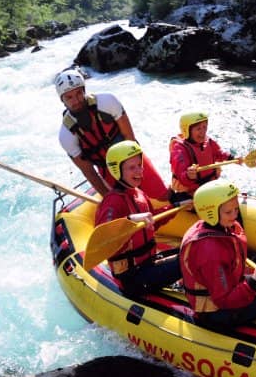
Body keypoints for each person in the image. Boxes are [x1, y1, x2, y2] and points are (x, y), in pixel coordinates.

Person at [180, 179, 256, 329]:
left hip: (228, 290)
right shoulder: (210, 251)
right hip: (216, 314)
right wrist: (254, 281)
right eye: (228, 212)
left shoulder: (222, 227)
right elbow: (224, 300)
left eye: (236, 209)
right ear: (210, 212)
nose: (234, 215)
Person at [55, 67, 165, 199]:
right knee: (126, 206)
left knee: (163, 195)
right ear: (62, 100)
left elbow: (130, 139)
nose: (76, 100)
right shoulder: (66, 135)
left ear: (84, 91)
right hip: (108, 170)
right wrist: (108, 198)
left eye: (79, 93)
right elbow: (89, 172)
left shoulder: (107, 102)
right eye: (69, 97)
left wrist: (133, 169)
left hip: (132, 158)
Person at [94, 141, 181, 297]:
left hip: (147, 264)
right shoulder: (112, 202)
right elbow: (103, 239)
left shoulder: (139, 194)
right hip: (131, 278)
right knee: (190, 259)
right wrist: (130, 219)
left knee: (191, 249)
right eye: (131, 167)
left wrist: (176, 206)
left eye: (140, 165)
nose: (139, 171)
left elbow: (153, 221)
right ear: (117, 170)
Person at [168, 111, 235, 204]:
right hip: (188, 193)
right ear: (187, 130)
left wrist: (232, 158)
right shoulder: (179, 149)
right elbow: (182, 174)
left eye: (204, 127)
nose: (203, 131)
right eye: (198, 128)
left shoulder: (207, 141)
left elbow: (218, 153)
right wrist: (188, 175)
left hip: (207, 187)